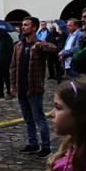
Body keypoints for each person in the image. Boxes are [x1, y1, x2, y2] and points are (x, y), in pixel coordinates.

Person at [10, 17, 57, 159]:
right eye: (22, 25)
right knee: (27, 118)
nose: (23, 27)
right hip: (21, 87)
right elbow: (13, 67)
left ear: (34, 27)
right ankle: (33, 143)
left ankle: (46, 146)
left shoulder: (39, 44)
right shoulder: (19, 46)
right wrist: (12, 85)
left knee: (39, 118)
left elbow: (54, 48)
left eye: (26, 25)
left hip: (34, 87)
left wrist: (39, 46)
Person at [0, 29, 14, 99]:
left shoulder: (7, 39)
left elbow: (10, 50)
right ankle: (0, 92)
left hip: (4, 61)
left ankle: (10, 92)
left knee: (6, 77)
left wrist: (7, 60)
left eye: (0, 30)